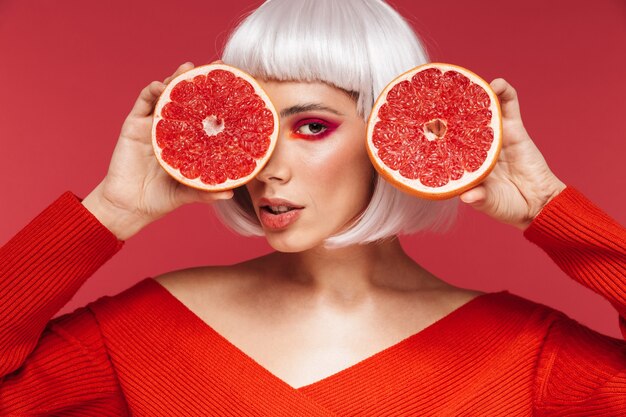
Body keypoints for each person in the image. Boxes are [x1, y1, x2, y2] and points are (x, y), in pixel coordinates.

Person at [1, 0, 624, 415]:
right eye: (246, 128)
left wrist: (548, 209)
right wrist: (111, 210)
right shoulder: (141, 332)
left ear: (394, 131)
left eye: (313, 127)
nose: (267, 166)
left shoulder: (523, 354)